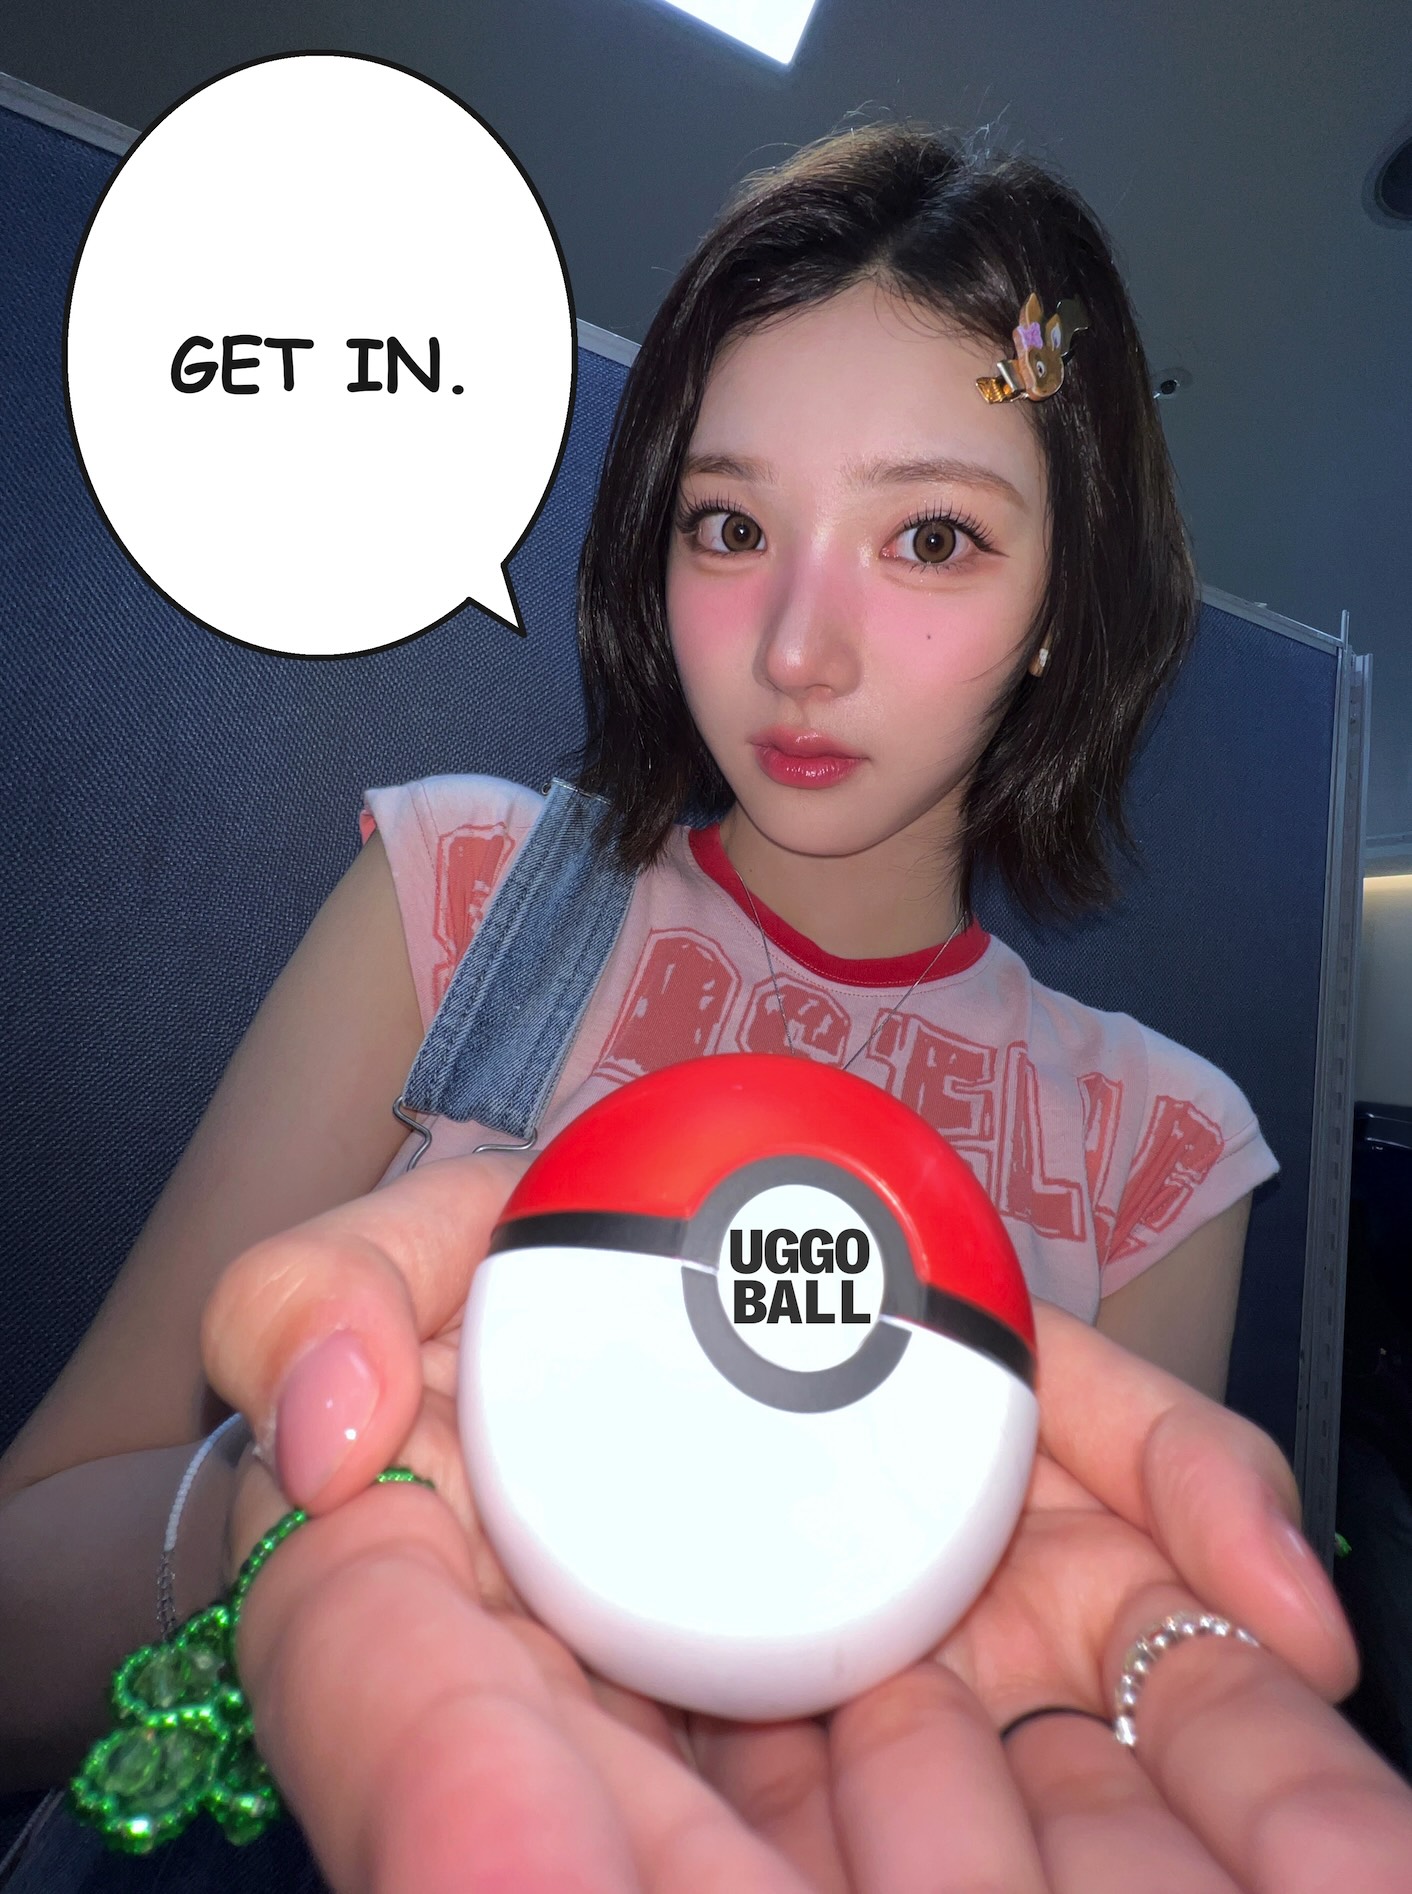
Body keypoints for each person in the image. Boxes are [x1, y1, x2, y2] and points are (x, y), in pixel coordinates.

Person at [2, 121, 1409, 1890]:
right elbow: (21, 1604)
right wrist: (307, 1495)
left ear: (1065, 598)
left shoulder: (1158, 1149)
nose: (799, 647)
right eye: (732, 524)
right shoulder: (463, 894)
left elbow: (1069, 1716)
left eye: (933, 537)